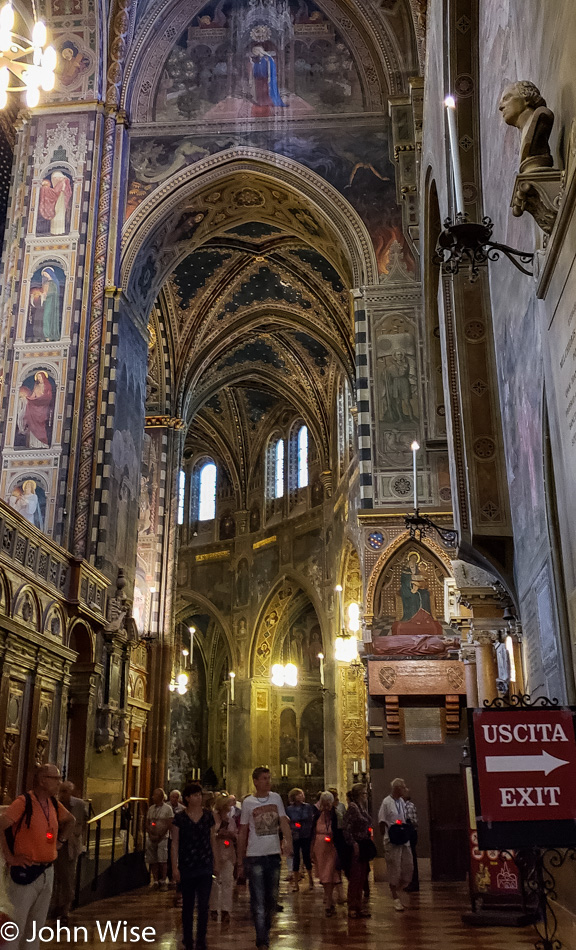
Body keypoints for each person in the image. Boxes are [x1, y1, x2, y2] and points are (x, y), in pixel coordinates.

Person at [0, 764, 74, 950]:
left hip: (47, 870)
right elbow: (2, 825)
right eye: (55, 779)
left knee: (35, 928)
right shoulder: (24, 802)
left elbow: (70, 820)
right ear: (42, 780)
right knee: (14, 927)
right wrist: (10, 857)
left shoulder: (54, 804)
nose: (59, 783)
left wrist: (60, 842)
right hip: (25, 871)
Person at [237, 766, 293, 950]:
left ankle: (265, 929)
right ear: (255, 781)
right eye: (264, 778)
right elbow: (243, 830)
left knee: (272, 897)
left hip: (273, 854)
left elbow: (283, 821)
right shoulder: (248, 803)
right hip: (255, 855)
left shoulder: (276, 798)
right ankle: (262, 939)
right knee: (258, 899)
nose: (268, 781)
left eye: (269, 778)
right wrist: (240, 859)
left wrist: (288, 841)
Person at [171, 783, 216, 950]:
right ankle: (188, 938)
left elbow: (212, 839)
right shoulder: (180, 818)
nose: (199, 797)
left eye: (200, 794)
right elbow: (175, 843)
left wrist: (215, 861)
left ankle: (201, 939)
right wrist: (175, 867)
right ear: (188, 798)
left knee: (204, 904)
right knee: (188, 905)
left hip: (204, 864)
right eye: (195, 795)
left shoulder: (208, 816)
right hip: (187, 865)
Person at [52, 781, 87, 922]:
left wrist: (78, 837)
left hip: (70, 846)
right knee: (56, 876)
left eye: (66, 791)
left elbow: (82, 823)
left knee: (68, 877)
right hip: (54, 844)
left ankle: (65, 909)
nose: (63, 794)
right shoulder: (54, 804)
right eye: (62, 791)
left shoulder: (78, 805)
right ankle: (56, 904)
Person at [378, 777, 414, 911]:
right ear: (397, 789)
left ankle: (400, 889)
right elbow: (382, 821)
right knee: (394, 869)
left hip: (403, 838)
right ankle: (395, 897)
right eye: (403, 787)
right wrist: (387, 837)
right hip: (392, 839)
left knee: (408, 867)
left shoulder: (402, 802)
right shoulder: (387, 802)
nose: (405, 789)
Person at [343, 783, 373, 919]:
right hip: (356, 845)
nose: (366, 796)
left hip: (364, 843)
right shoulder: (353, 808)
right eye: (364, 793)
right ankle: (352, 907)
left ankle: (359, 905)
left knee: (362, 876)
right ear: (359, 795)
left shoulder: (362, 807)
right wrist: (353, 843)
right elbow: (346, 828)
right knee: (355, 877)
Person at [311, 791, 342, 917]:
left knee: (330, 873)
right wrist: (311, 849)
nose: (326, 806)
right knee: (324, 875)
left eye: (328, 803)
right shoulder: (317, 815)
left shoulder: (337, 815)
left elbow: (341, 832)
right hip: (320, 847)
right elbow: (312, 832)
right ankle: (329, 898)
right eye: (324, 803)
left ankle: (329, 901)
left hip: (332, 847)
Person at [210, 792, 237, 924]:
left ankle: (226, 909)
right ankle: (214, 908)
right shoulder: (212, 818)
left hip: (228, 851)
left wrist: (230, 834)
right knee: (215, 882)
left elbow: (235, 835)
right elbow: (210, 834)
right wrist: (217, 833)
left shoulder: (230, 819)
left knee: (227, 881)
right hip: (215, 851)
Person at [285, 788, 314, 892]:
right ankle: (296, 884)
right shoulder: (289, 809)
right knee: (295, 858)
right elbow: (289, 820)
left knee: (307, 858)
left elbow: (309, 819)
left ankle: (311, 880)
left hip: (305, 834)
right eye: (299, 795)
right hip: (295, 835)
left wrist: (299, 823)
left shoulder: (307, 807)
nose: (301, 796)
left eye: (302, 794)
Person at [146, 788, 173, 888]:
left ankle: (163, 879)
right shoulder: (151, 808)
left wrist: (159, 835)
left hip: (163, 838)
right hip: (152, 837)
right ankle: (156, 880)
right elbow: (148, 822)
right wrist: (150, 833)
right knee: (153, 859)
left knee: (162, 859)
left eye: (155, 795)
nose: (153, 797)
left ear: (161, 797)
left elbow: (169, 823)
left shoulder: (167, 809)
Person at [403, 788, 419, 892]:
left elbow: (408, 821)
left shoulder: (408, 806)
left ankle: (414, 883)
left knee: (412, 859)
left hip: (410, 834)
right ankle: (412, 882)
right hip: (411, 833)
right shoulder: (408, 805)